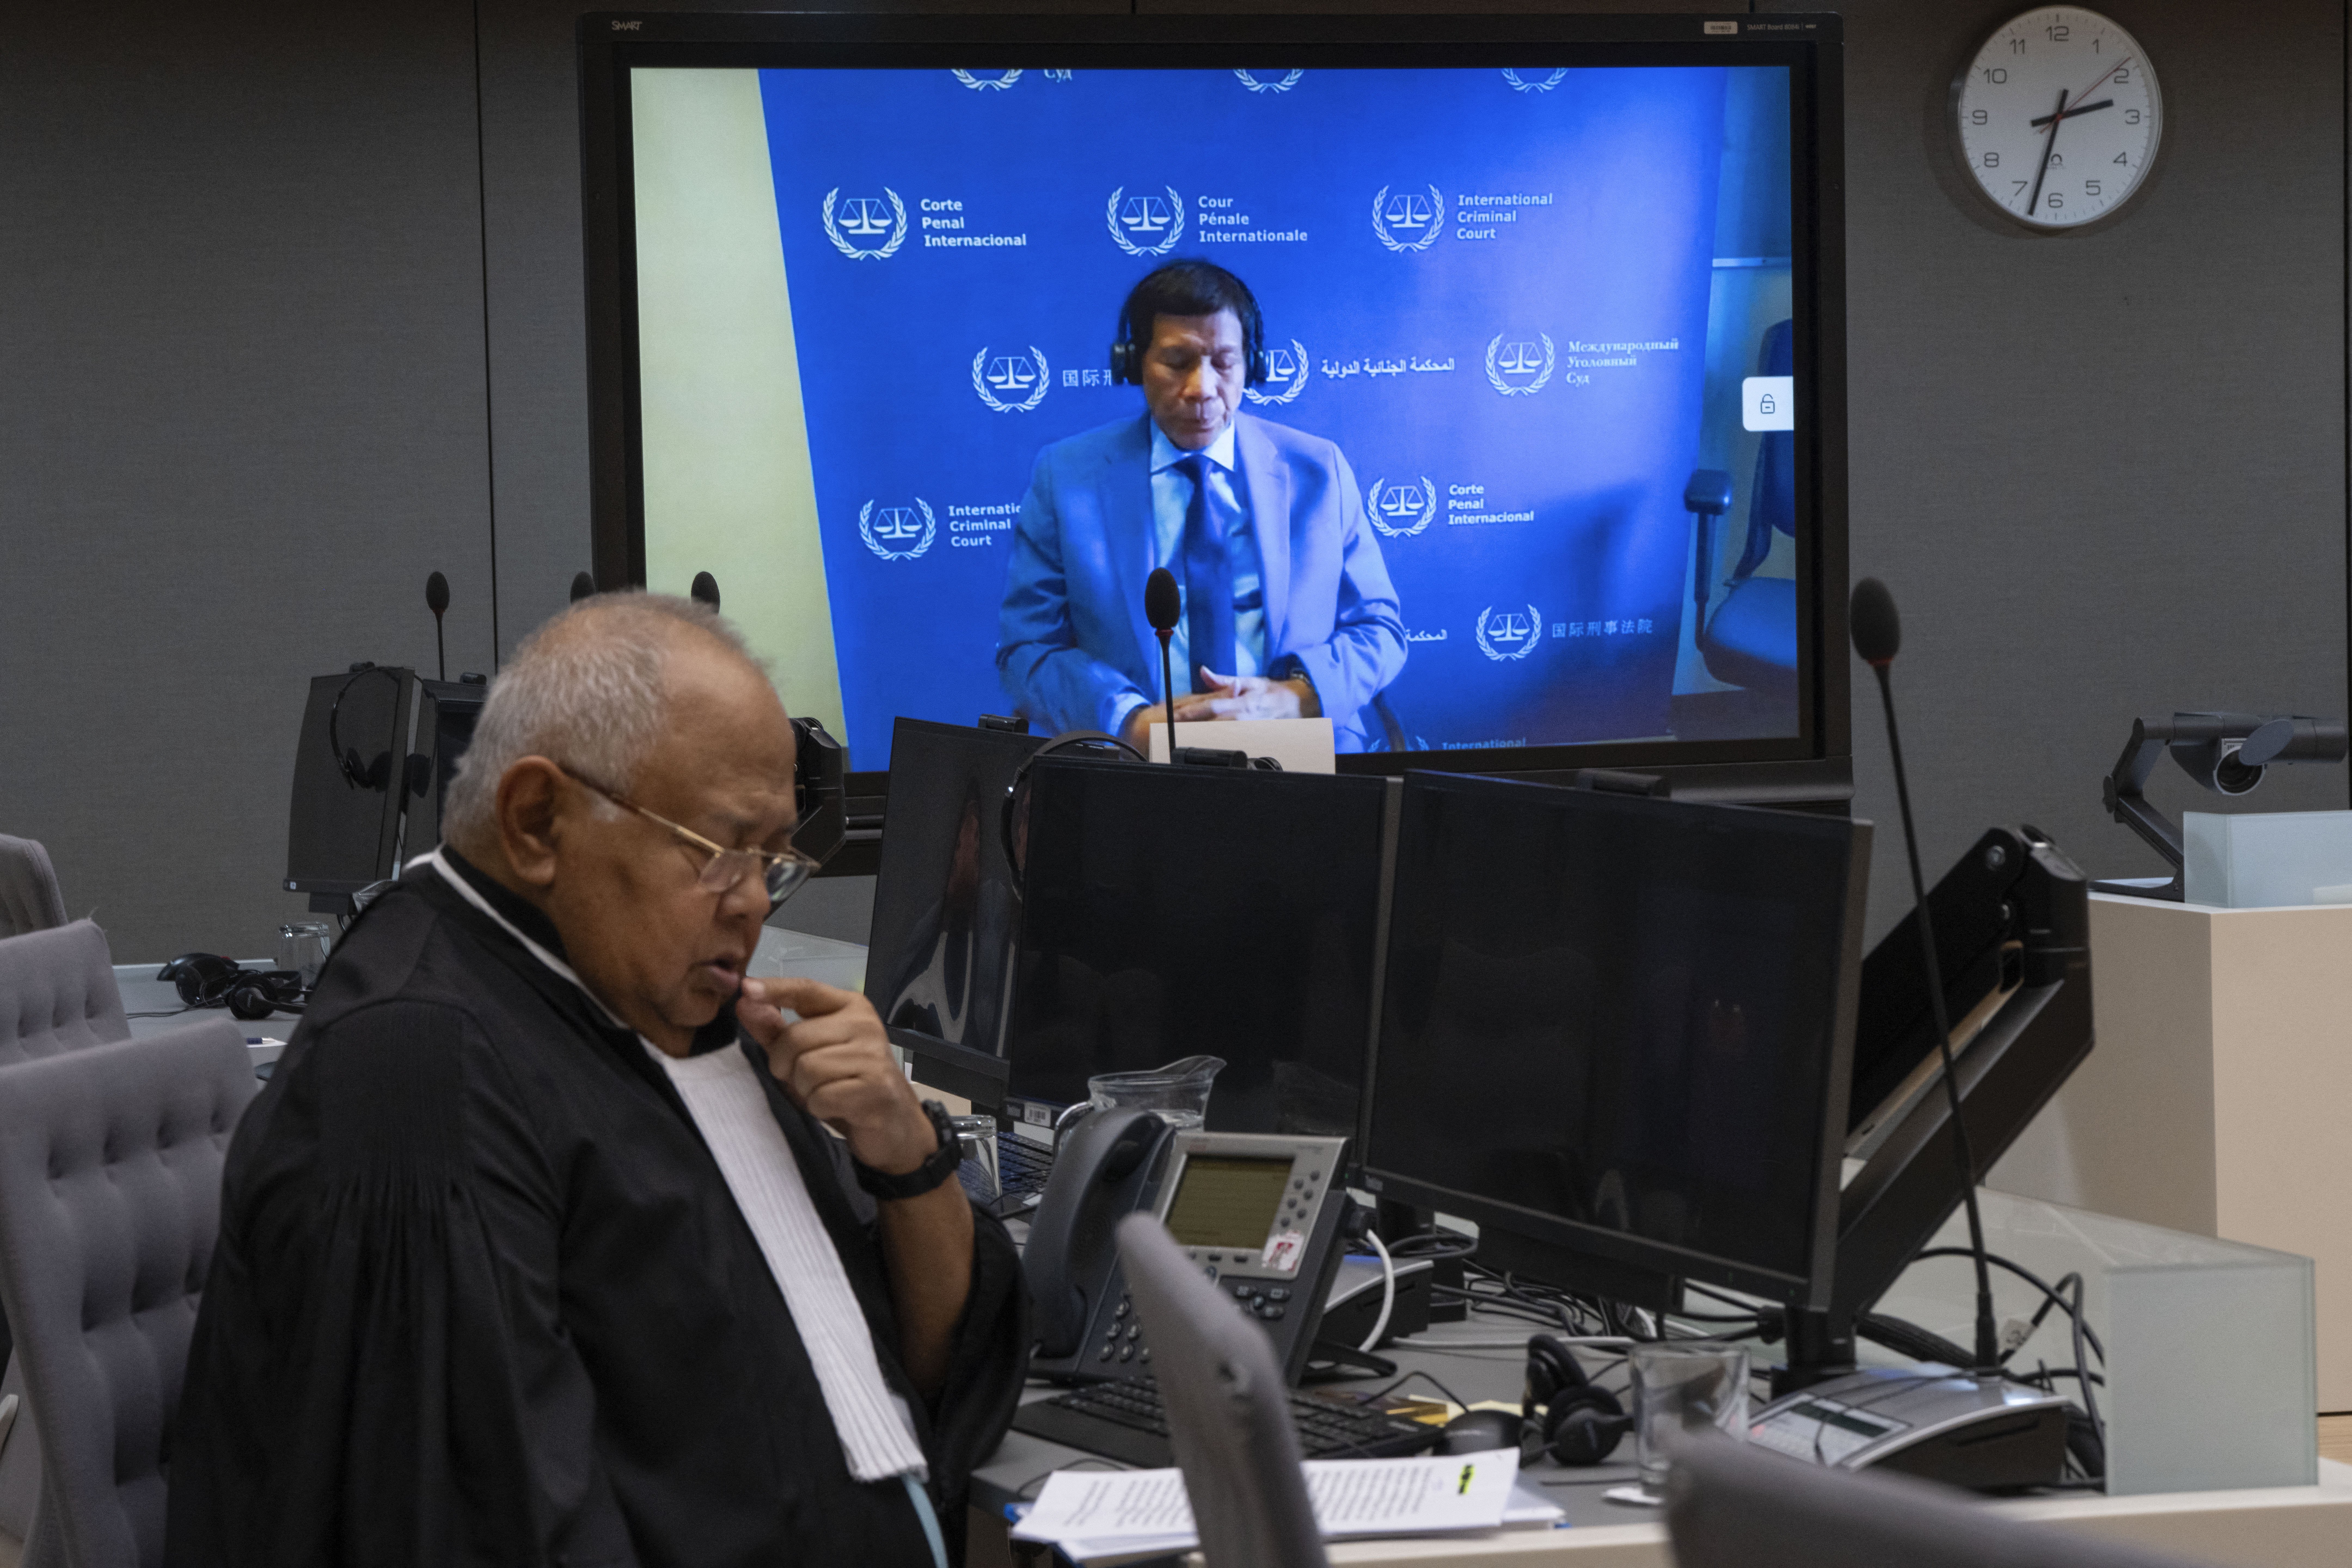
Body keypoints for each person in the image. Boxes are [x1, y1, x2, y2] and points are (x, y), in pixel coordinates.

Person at [169, 594, 1026, 1567]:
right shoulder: (420, 1074)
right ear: (538, 822)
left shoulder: (671, 1002)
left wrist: (907, 1155)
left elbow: (911, 1368)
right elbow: (478, 1528)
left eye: (773, 859)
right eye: (720, 853)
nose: (754, 902)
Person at [996, 260, 1407, 752]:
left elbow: (1380, 630)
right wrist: (1129, 723)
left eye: (1224, 363)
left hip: (1302, 754)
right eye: (1177, 362)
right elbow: (1028, 648)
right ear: (1134, 364)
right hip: (1136, 763)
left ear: (1252, 365)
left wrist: (1296, 698)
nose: (1202, 389)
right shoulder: (1066, 477)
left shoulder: (1319, 472)